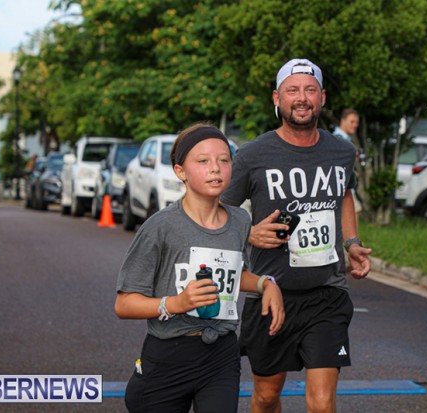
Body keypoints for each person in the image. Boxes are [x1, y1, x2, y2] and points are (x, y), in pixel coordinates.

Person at [221, 58, 373, 413]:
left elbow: (344, 194)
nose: (302, 98)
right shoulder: (252, 155)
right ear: (278, 98)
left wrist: (351, 243)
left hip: (327, 293)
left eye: (310, 90)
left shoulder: (342, 151)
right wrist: (249, 232)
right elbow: (220, 212)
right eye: (292, 90)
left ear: (322, 97)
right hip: (271, 293)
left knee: (321, 403)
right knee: (266, 397)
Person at [115, 123, 284, 413]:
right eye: (203, 161)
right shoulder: (160, 227)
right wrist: (176, 303)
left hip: (221, 353)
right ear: (180, 171)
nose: (215, 168)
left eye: (224, 160)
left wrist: (265, 284)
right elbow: (124, 304)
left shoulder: (240, 221)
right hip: (168, 354)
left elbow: (233, 273)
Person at [333, 108, 363, 222]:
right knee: (354, 212)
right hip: (341, 187)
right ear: (343, 121)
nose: (355, 125)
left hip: (343, 186)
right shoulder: (338, 138)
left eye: (357, 122)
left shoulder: (344, 139)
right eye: (352, 122)